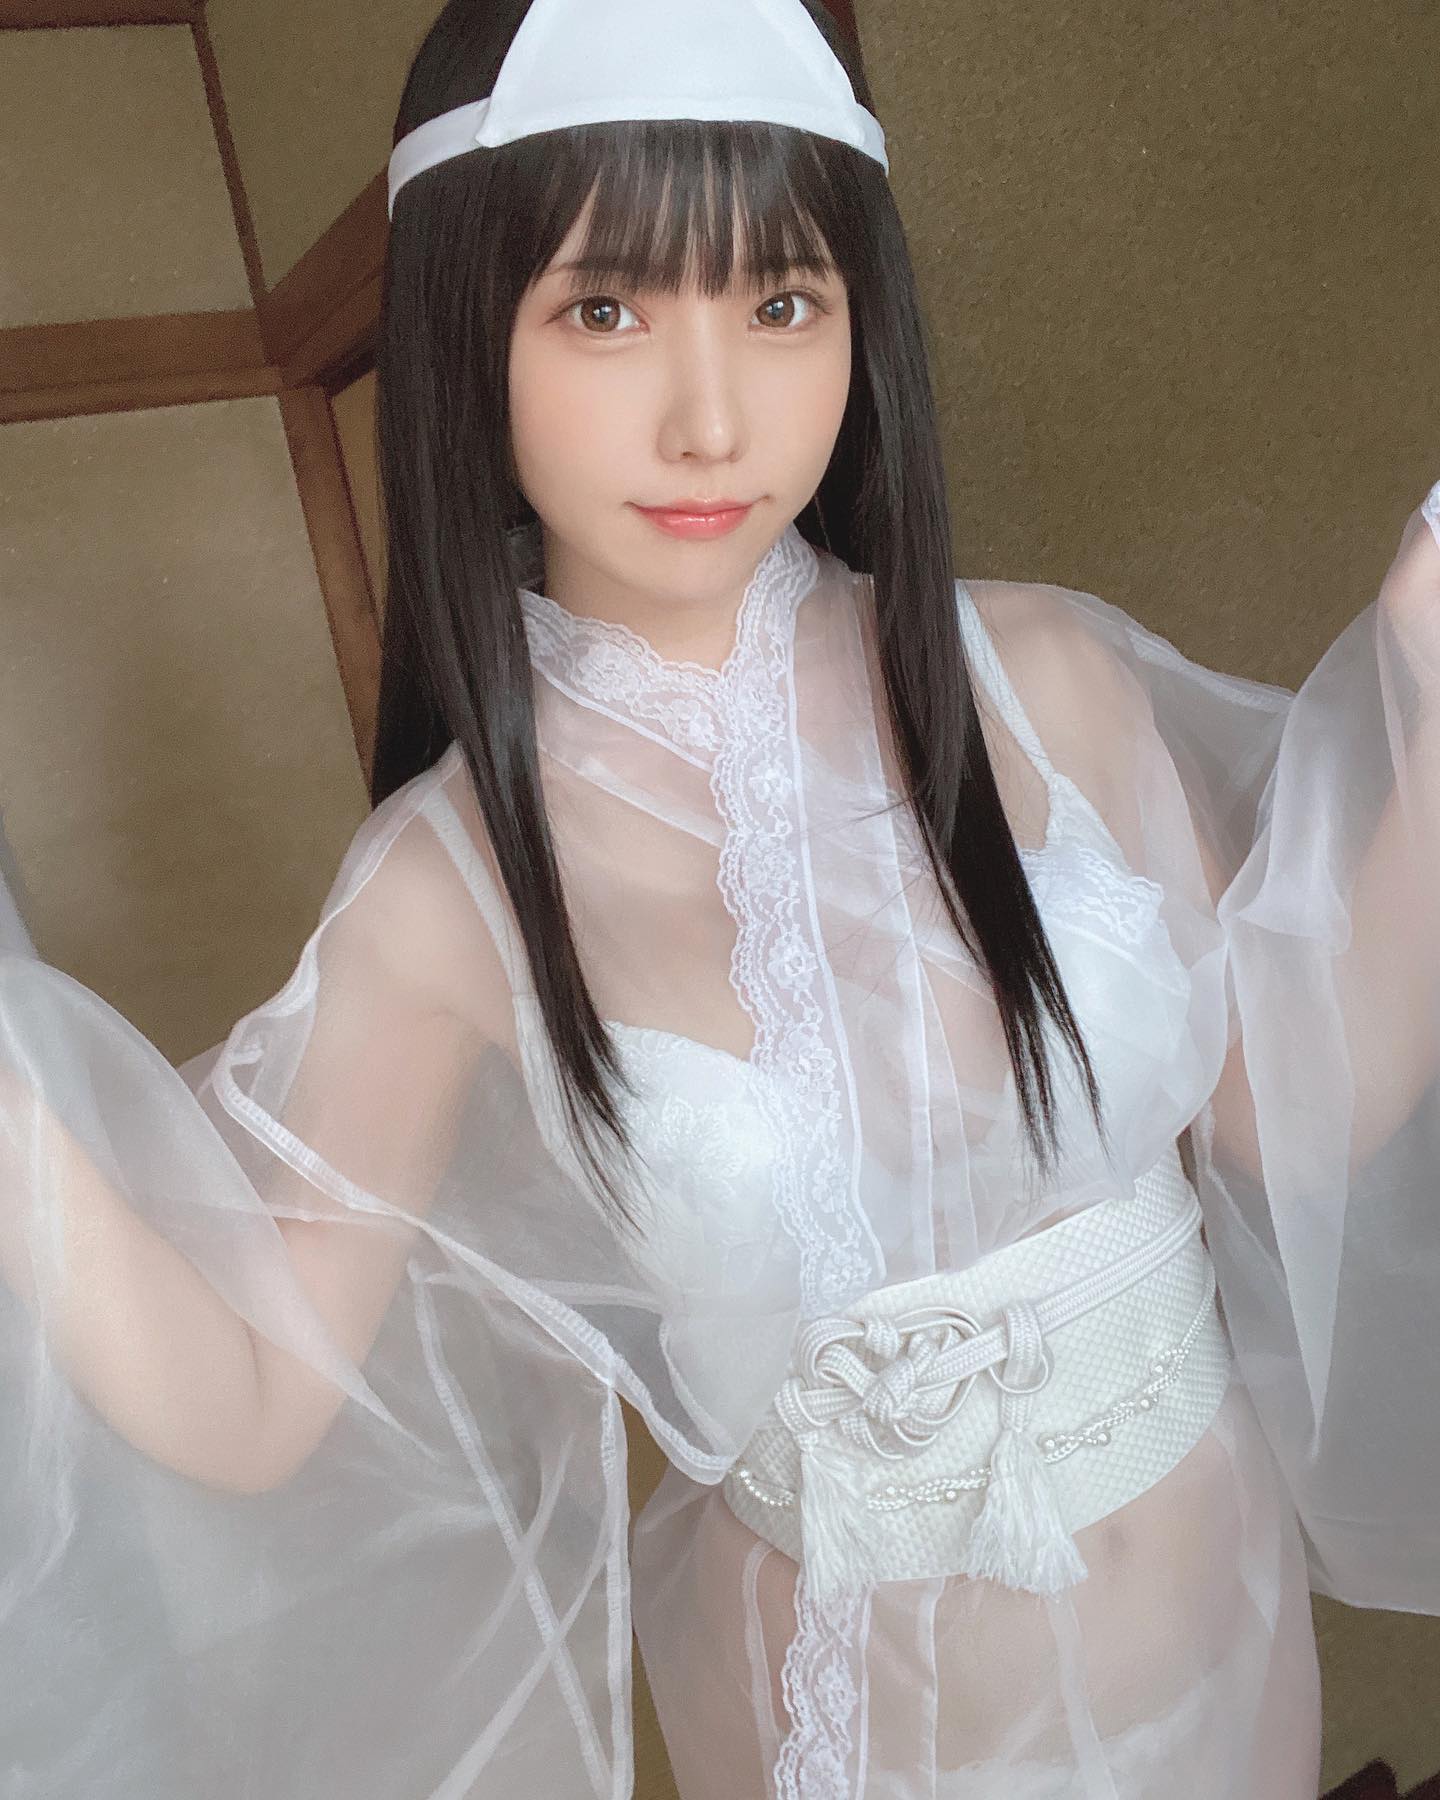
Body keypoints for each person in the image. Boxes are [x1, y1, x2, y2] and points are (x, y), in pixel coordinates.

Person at [2, 0, 1438, 1794]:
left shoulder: (1043, 679)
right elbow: (249, 1394)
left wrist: (1426, 684)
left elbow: (1296, 1106)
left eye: (782, 304)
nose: (711, 419)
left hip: (1227, 1652)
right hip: (867, 1730)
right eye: (604, 311)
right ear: (468, 335)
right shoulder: (447, 888)